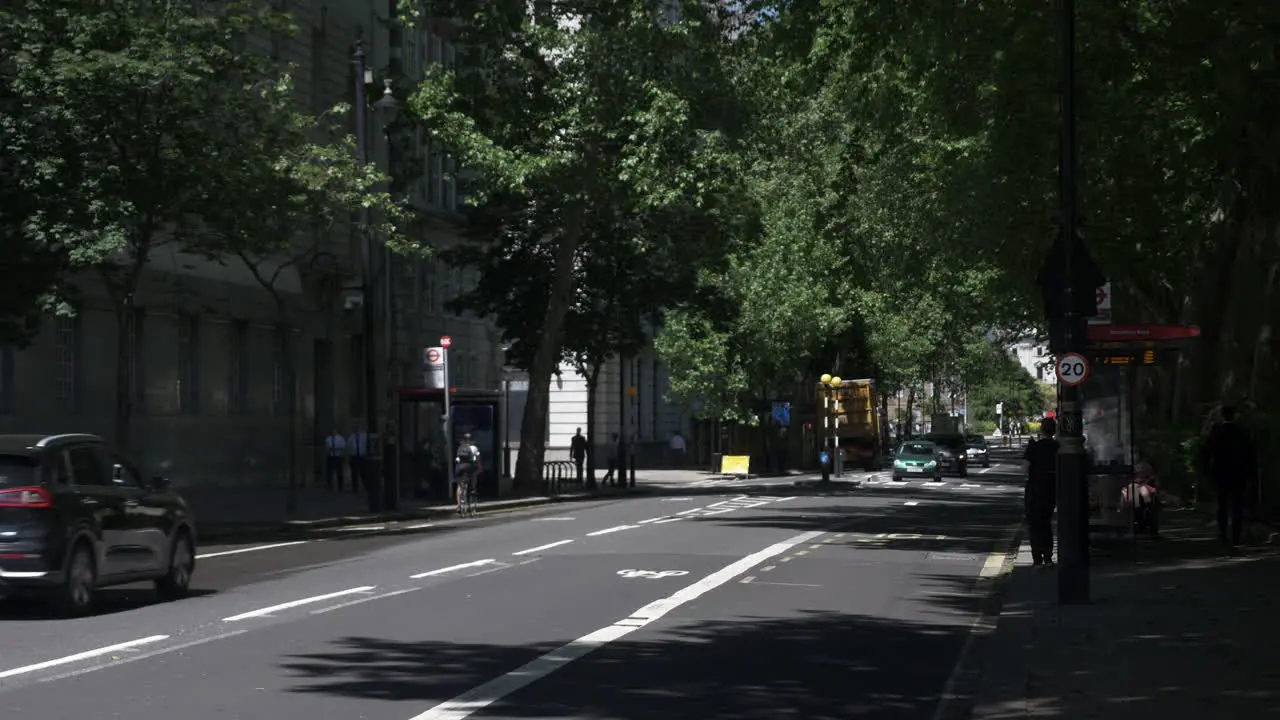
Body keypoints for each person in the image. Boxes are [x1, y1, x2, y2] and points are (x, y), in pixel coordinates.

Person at [1203, 405, 1257, 547]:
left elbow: (1208, 452)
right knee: (1237, 504)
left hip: (1221, 473)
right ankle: (1236, 535)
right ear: (1235, 415)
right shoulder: (1243, 432)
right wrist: (1252, 472)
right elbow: (1251, 453)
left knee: (1222, 504)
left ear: (1222, 415)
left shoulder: (1217, 431)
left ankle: (1222, 534)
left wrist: (1206, 471)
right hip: (1239, 473)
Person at [1023, 417, 1060, 566]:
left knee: (1034, 524)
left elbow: (1024, 468)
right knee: (1046, 522)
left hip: (1035, 489)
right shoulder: (1058, 447)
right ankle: (1048, 557)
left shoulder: (1034, 447)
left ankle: (1037, 557)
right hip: (1051, 489)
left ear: (1041, 430)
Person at [455, 433, 482, 513]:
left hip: (460, 468)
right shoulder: (474, 448)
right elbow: (478, 460)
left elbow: (457, 459)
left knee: (459, 486)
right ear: (472, 440)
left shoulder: (461, 448)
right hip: (469, 468)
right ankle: (472, 490)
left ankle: (459, 505)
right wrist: (479, 468)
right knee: (474, 475)